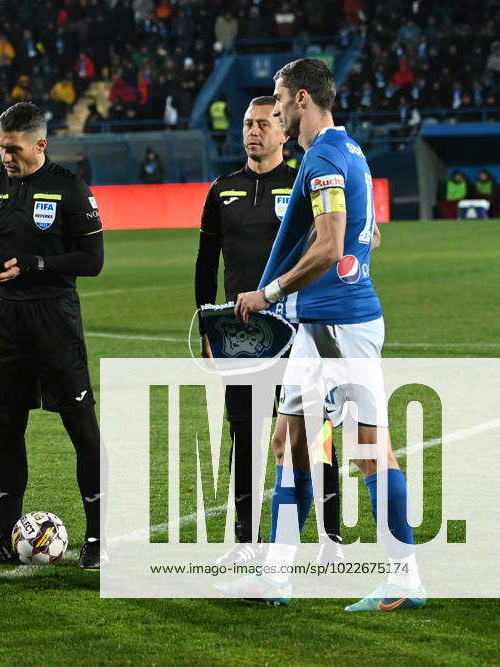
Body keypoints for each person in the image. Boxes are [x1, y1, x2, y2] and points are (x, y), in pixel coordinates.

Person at [231, 58, 420, 612]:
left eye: (280, 98)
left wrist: (270, 292)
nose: (275, 107)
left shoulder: (326, 158)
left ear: (303, 100)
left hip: (338, 329)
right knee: (289, 442)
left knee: (367, 452)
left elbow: (333, 243)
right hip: (327, 325)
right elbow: (366, 234)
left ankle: (404, 577)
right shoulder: (347, 152)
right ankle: (277, 575)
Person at [196, 96, 344, 568]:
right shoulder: (223, 189)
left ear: (283, 130)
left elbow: (333, 236)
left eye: (263, 123)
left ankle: (331, 537)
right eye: (247, 124)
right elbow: (206, 262)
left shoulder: (303, 181)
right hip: (239, 336)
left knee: (314, 432)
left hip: (294, 330)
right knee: (244, 435)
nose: (252, 131)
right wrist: (206, 323)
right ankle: (245, 541)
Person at [0, 102, 105, 570]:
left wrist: (37, 265)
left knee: (80, 427)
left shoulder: (69, 187)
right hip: (8, 321)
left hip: (55, 319)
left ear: (41, 144)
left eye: (14, 148)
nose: (5, 156)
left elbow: (92, 259)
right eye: (0, 147)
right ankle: (4, 534)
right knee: (6, 428)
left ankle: (98, 535)